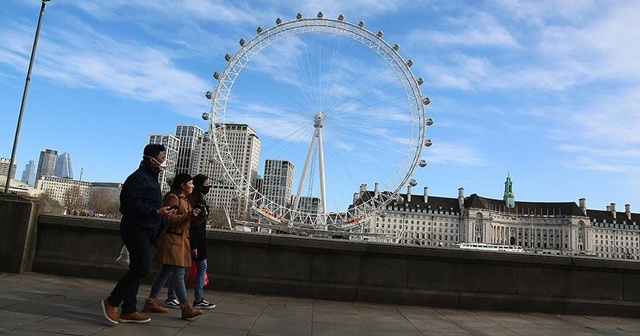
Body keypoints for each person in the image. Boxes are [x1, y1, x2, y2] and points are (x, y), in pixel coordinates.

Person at [101, 144, 176, 324]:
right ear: (151, 159)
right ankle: (112, 302)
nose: (163, 161)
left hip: (146, 229)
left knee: (136, 268)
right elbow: (128, 206)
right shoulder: (137, 179)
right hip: (136, 228)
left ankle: (129, 309)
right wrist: (156, 212)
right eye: (161, 157)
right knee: (142, 267)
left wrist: (160, 212)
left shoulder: (150, 179)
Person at [141, 173, 203, 320]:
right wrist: (189, 215)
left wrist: (198, 217)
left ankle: (151, 300)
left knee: (164, 272)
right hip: (173, 241)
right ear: (183, 185)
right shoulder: (173, 198)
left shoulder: (185, 200)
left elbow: (186, 221)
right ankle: (185, 307)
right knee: (179, 273)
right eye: (190, 183)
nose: (193, 186)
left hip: (180, 241)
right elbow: (169, 219)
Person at [164, 174, 216, 309]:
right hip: (190, 240)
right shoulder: (186, 199)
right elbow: (188, 223)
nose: (208, 186)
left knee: (173, 270)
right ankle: (191, 300)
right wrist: (193, 244)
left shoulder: (196, 199)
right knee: (183, 269)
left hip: (194, 240)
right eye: (206, 184)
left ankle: (169, 297)